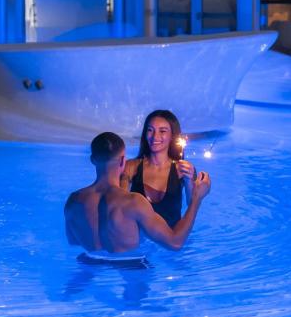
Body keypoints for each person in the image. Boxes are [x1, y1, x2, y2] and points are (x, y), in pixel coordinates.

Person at [64, 131, 211, 263]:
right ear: (122, 161)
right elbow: (175, 243)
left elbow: (73, 242)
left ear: (92, 160)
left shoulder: (73, 201)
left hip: (90, 263)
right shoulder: (134, 203)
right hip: (132, 265)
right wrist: (197, 198)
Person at [120, 110, 196, 228]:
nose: (155, 136)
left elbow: (193, 205)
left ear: (172, 136)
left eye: (163, 131)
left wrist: (189, 180)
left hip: (171, 238)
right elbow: (120, 205)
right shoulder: (131, 167)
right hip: (140, 240)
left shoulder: (183, 170)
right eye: (150, 130)